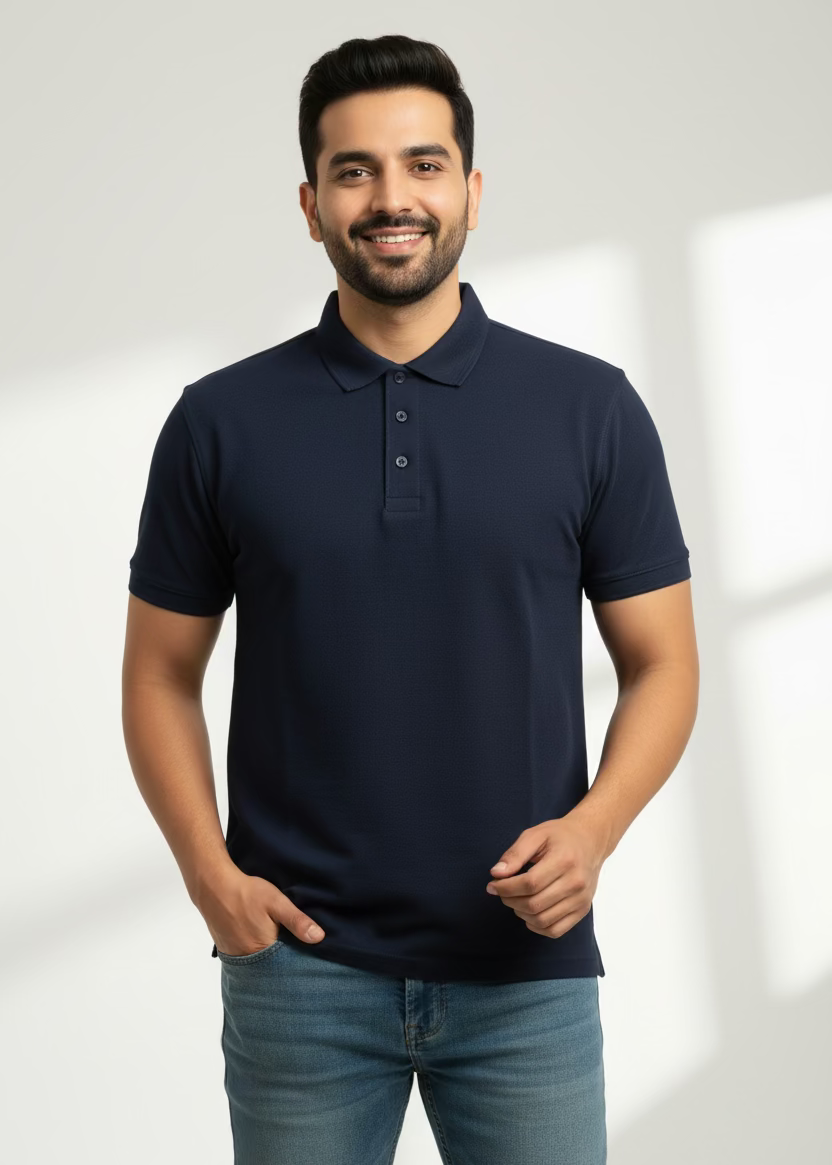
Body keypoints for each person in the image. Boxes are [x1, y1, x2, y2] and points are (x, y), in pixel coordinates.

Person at [122, 33, 699, 1165]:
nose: (393, 198)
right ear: (310, 203)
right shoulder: (219, 421)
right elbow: (157, 674)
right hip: (300, 978)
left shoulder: (590, 409)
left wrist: (594, 830)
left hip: (525, 975)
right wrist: (211, 884)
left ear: (472, 191)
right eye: (355, 171)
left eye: (424, 165)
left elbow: (664, 662)